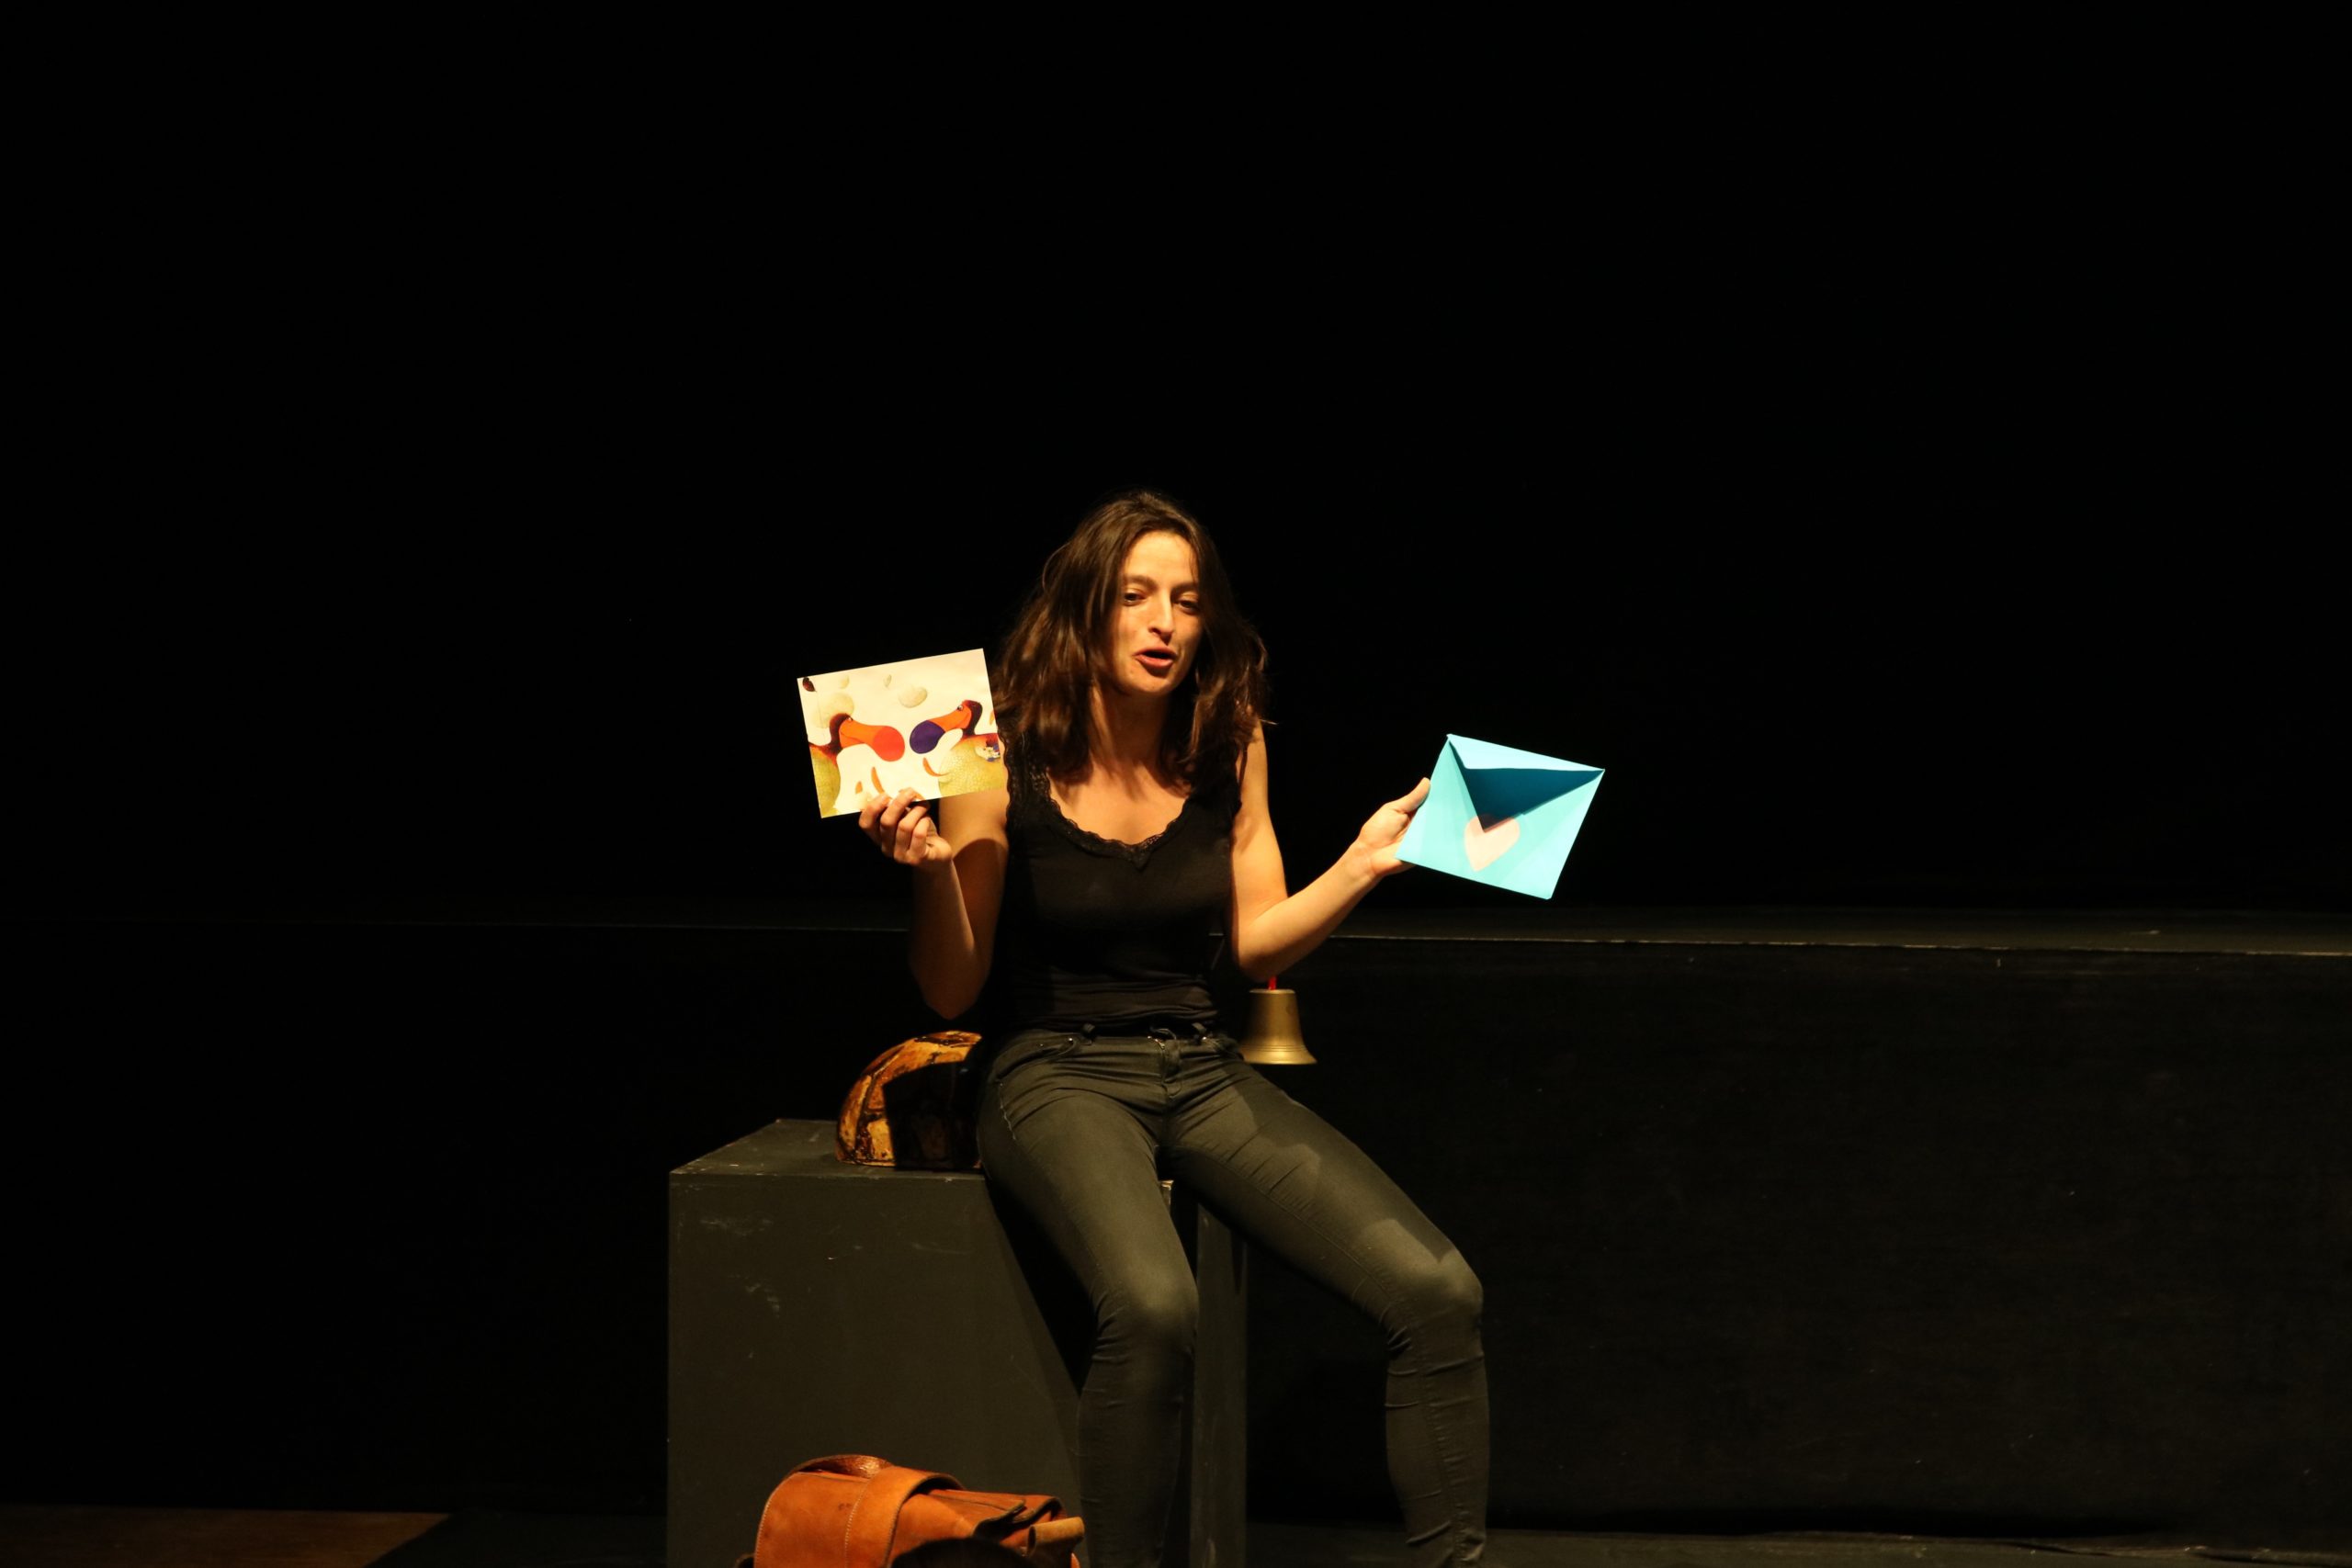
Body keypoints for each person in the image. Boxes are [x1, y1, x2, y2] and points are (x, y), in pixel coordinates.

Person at [857, 489, 1488, 1568]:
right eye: (1135, 596)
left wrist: (1363, 863)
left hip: (1197, 1066)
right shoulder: (986, 750)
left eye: (1187, 602)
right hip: (1053, 1070)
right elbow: (952, 991)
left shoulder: (1227, 743)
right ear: (1083, 609)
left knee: (1437, 1293)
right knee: (1155, 1307)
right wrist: (927, 873)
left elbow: (1254, 943)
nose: (1163, 623)